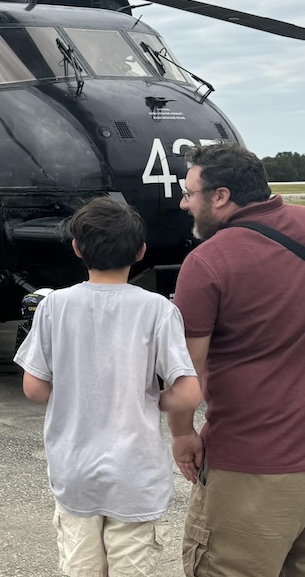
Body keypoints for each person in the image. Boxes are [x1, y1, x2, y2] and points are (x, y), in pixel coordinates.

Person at [14, 197, 201, 577]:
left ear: (76, 248)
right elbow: (188, 393)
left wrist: (75, 395)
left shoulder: (54, 306)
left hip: (75, 473)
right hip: (135, 477)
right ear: (141, 251)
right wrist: (145, 398)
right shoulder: (157, 309)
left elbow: (33, 387)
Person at [168, 142, 305, 576]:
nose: (184, 203)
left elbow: (185, 373)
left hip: (253, 465)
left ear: (221, 196)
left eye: (189, 193)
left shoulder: (208, 261)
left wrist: (181, 434)